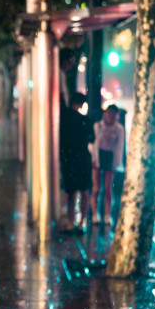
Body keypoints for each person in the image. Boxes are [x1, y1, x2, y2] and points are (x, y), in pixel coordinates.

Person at [59, 93, 93, 231]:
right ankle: (82, 222)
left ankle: (70, 221)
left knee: (71, 191)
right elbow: (91, 139)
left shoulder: (64, 119)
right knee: (84, 191)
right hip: (83, 159)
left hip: (69, 160)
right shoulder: (86, 121)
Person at [90, 104, 125, 225]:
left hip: (110, 157)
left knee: (108, 188)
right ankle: (95, 214)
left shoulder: (119, 129)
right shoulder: (98, 126)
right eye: (109, 113)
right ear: (105, 113)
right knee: (96, 188)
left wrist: (116, 163)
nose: (110, 116)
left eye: (113, 114)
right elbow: (94, 144)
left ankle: (107, 215)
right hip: (98, 156)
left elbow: (119, 147)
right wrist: (94, 160)